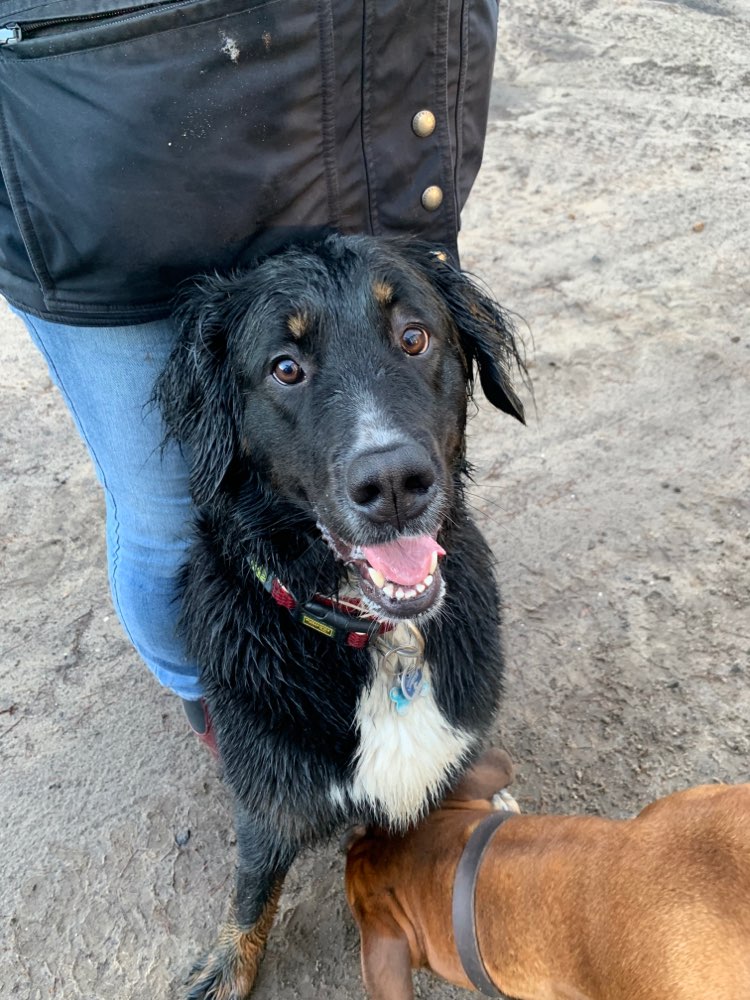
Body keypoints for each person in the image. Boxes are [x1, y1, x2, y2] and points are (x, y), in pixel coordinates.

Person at [0, 0, 500, 746]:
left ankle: (424, 719)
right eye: (290, 368)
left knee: (411, 461)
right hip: (109, 153)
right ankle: (221, 707)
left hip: (367, 100)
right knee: (174, 518)